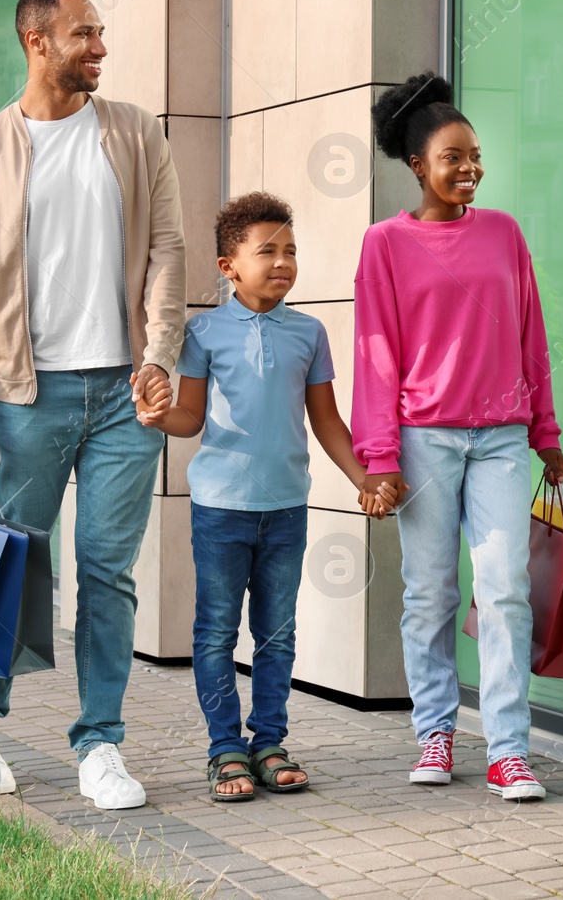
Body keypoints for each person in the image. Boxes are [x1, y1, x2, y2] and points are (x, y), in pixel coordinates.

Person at [0, 0, 184, 809]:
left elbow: (166, 249)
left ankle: (101, 746)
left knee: (109, 574)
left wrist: (159, 356)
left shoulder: (133, 132)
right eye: (85, 34)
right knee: (6, 561)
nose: (101, 48)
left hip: (125, 393)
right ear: (36, 41)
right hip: (24, 393)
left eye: (102, 33)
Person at [137, 192, 399, 800]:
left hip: (285, 509)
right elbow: (191, 417)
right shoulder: (204, 331)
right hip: (220, 510)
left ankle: (270, 742)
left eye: (290, 251)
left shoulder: (309, 332)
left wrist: (363, 476)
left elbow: (327, 421)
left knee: (278, 635)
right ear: (229, 266)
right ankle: (225, 749)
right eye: (267, 252)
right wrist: (157, 418)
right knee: (215, 634)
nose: (282, 262)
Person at [353, 71, 563, 802]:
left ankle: (509, 750)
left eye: (475, 154)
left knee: (506, 588)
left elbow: (530, 335)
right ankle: (435, 732)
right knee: (431, 591)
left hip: (503, 439)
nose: (469, 168)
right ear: (418, 165)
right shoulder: (384, 245)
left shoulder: (504, 233)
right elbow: (375, 356)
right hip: (424, 440)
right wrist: (377, 459)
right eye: (453, 157)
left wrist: (546, 431)